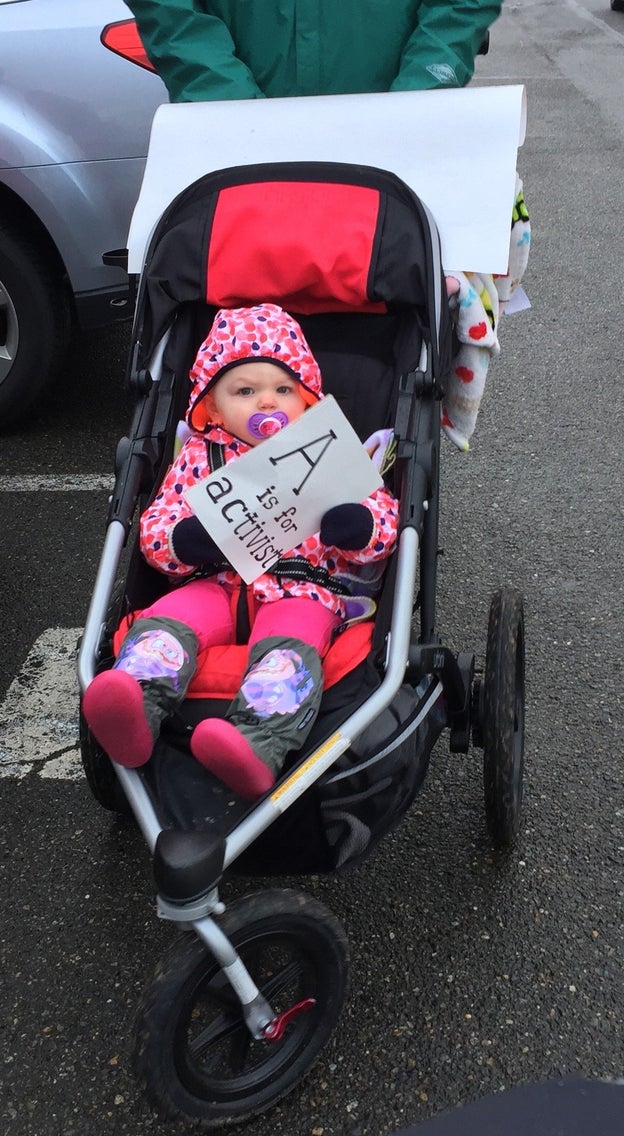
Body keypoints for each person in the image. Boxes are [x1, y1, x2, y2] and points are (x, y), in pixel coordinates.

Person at [125, 0, 530, 451]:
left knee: (390, 314)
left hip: (392, 133)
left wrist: (419, 97)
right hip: (231, 134)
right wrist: (232, 105)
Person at [83, 303, 399, 800]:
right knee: (167, 622)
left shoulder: (326, 452)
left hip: (303, 590)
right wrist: (185, 539)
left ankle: (256, 742)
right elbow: (156, 529)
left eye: (282, 390)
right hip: (214, 580)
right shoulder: (200, 457)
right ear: (212, 406)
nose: (266, 403)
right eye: (245, 391)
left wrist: (357, 526)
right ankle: (135, 700)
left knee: (288, 655)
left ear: (307, 398)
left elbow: (384, 520)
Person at [123, 1, 503, 103]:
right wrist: (229, 103)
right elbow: (169, 10)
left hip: (400, 139)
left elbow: (460, 6)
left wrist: (416, 98)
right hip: (234, 145)